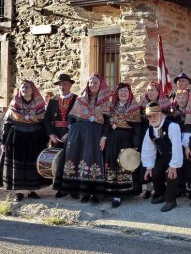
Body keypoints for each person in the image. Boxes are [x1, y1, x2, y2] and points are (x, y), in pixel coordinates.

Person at [60, 74, 111, 204]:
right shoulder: (80, 99)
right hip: (79, 136)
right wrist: (71, 129)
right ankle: (84, 192)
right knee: (79, 161)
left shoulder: (105, 101)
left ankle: (95, 194)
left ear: (100, 85)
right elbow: (70, 117)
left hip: (96, 136)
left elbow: (107, 122)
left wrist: (104, 137)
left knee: (93, 160)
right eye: (90, 82)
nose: (92, 85)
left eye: (95, 83)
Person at [1, 80, 50, 201]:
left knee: (32, 164)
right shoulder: (15, 104)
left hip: (35, 138)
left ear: (33, 90)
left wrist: (46, 139)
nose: (24, 89)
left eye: (27, 87)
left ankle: (32, 190)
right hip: (17, 137)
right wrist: (3, 141)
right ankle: (19, 192)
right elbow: (7, 123)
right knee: (18, 165)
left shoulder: (39, 106)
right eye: (22, 87)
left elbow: (44, 123)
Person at [104, 83, 142, 208]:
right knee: (112, 164)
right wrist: (104, 137)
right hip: (112, 140)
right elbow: (106, 124)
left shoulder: (134, 107)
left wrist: (136, 146)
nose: (123, 93)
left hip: (126, 140)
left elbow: (137, 128)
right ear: (117, 93)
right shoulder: (111, 107)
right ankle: (111, 190)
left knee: (123, 164)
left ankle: (119, 194)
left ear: (129, 93)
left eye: (125, 91)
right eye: (121, 91)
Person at [141, 102, 183, 212]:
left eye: (154, 115)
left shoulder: (172, 126)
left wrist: (174, 165)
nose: (152, 118)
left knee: (171, 176)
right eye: (149, 116)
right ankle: (161, 194)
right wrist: (149, 167)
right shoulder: (149, 130)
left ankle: (171, 201)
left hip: (175, 156)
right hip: (163, 156)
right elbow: (148, 149)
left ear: (161, 114)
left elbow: (177, 147)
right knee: (155, 173)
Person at [44, 74, 78, 198]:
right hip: (56, 134)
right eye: (59, 84)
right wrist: (51, 134)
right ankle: (61, 189)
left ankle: (73, 189)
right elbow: (46, 120)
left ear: (70, 84)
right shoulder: (53, 100)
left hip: (71, 132)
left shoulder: (77, 99)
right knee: (58, 161)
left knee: (71, 159)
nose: (61, 87)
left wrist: (70, 133)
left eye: (64, 84)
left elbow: (78, 119)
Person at [139, 81, 171, 198]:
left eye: (152, 90)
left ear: (158, 92)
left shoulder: (165, 105)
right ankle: (147, 189)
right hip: (147, 134)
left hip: (161, 136)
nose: (150, 92)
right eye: (148, 90)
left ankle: (160, 188)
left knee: (159, 163)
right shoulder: (143, 105)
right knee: (147, 159)